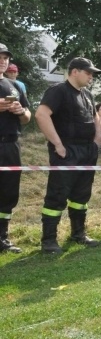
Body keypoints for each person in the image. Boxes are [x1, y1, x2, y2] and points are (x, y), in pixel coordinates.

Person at [35, 57, 101, 254]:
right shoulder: (58, 91)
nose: (91, 77)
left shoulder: (87, 94)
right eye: (88, 72)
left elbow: (95, 117)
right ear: (75, 71)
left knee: (81, 194)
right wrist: (58, 144)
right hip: (66, 151)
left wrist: (97, 140)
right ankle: (49, 240)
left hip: (87, 151)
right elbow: (41, 114)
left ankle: (78, 234)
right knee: (57, 195)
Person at [0, 43, 31, 253]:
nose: (2, 61)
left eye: (5, 58)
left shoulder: (15, 86)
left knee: (9, 192)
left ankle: (2, 237)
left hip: (11, 144)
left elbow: (27, 117)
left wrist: (20, 111)